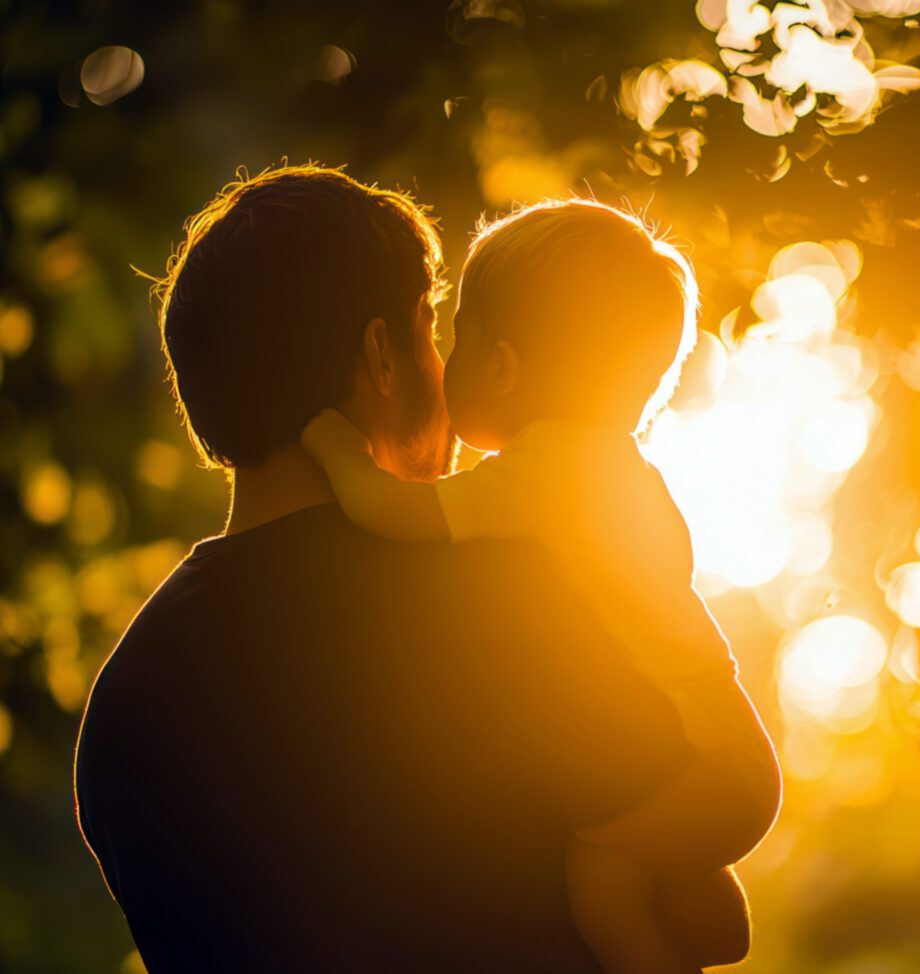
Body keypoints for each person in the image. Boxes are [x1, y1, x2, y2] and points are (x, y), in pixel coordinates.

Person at [73, 163, 753, 973]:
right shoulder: (497, 599)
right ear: (381, 358)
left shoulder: (122, 713)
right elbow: (715, 923)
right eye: (433, 329)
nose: (447, 367)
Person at [301, 198, 782, 971]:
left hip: (698, 762)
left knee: (597, 879)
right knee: (662, 877)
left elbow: (394, 511)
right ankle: (708, 904)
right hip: (730, 753)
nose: (446, 361)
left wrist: (335, 446)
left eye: (457, 338)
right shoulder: (624, 472)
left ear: (501, 366)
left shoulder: (541, 472)